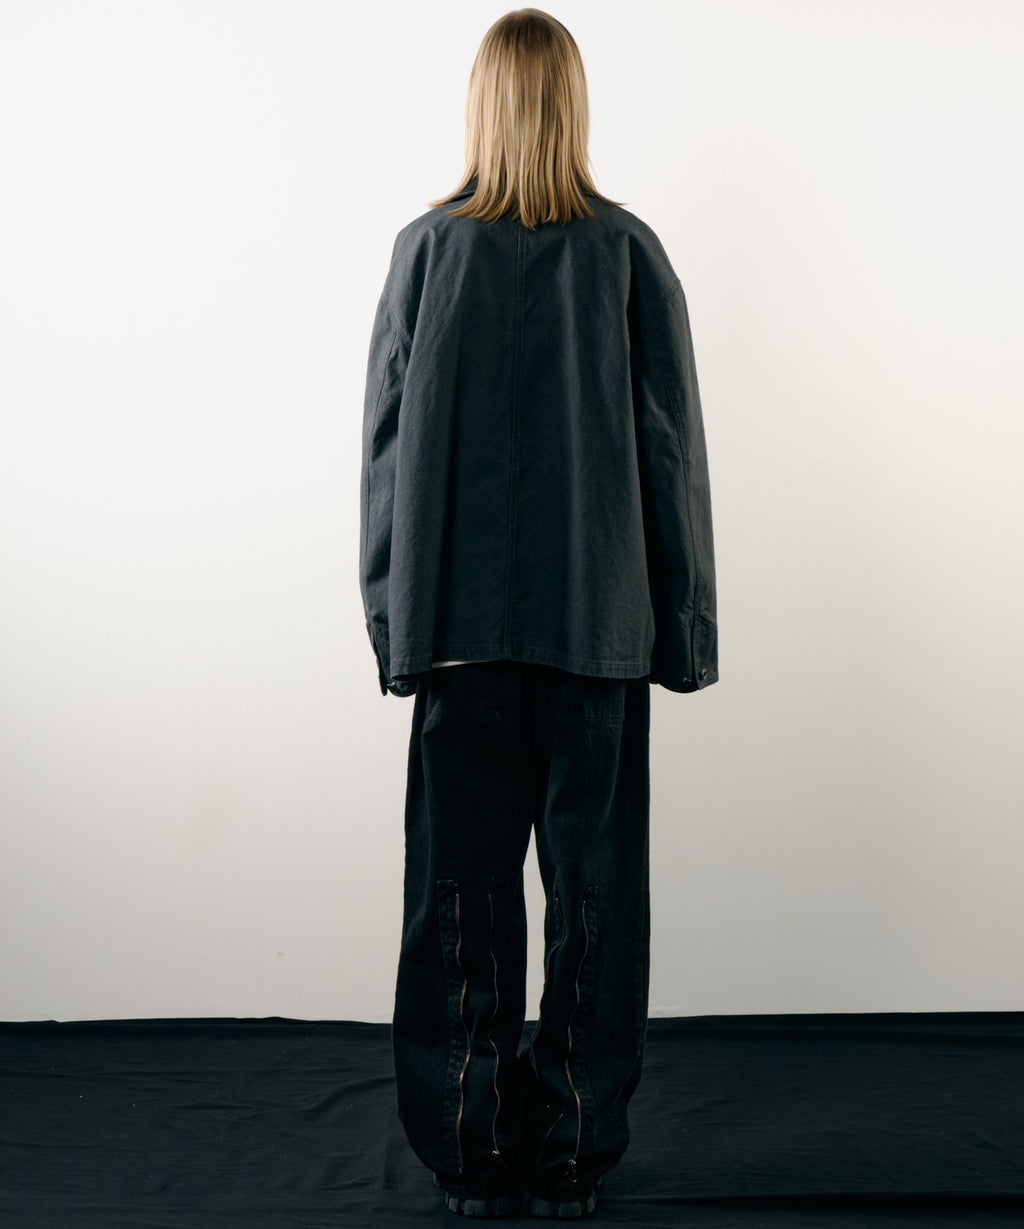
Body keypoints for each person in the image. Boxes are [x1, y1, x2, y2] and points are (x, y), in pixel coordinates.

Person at [359, 8, 718, 1218]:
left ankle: (466, 1145)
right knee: (594, 898)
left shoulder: (424, 252)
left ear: (481, 105)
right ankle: (569, 1146)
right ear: (572, 105)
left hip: (457, 632)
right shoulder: (628, 253)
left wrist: (393, 620)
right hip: (595, 628)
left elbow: (385, 455)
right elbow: (670, 454)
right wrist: (682, 629)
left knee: (455, 896)